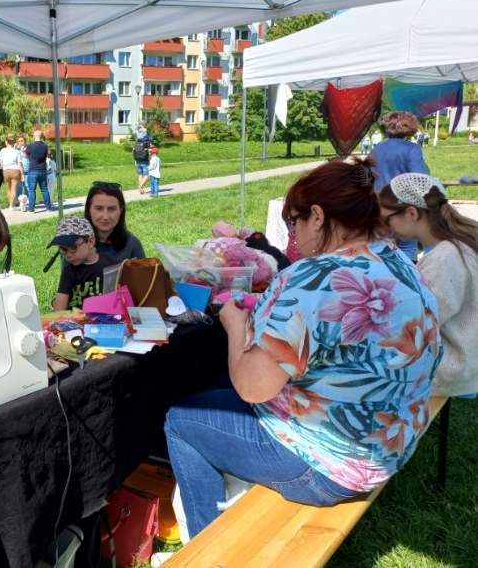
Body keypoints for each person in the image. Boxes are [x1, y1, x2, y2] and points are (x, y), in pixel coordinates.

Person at [165, 158, 441, 538]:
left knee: (181, 420)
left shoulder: (313, 277)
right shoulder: (400, 263)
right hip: (389, 444)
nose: (292, 233)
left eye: (293, 222)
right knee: (214, 392)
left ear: (317, 216)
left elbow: (252, 387)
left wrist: (235, 326)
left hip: (330, 466)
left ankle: (205, 550)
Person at [380, 173, 478, 397]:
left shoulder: (445, 259)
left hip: (455, 370)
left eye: (387, 219)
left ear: (411, 213)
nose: (387, 228)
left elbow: (415, 325)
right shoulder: (464, 239)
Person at [370, 111, 430, 260]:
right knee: (407, 248)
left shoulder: (376, 150)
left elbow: (366, 177)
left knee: (379, 247)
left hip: (378, 207)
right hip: (402, 206)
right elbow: (421, 178)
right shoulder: (412, 149)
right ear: (410, 127)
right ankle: (403, 273)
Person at [50, 216, 111, 311]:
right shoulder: (69, 272)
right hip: (74, 319)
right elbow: (59, 310)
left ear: (90, 241)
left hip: (103, 318)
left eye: (73, 247)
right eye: (63, 249)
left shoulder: (109, 266)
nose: (68, 255)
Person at [84, 182, 145, 263]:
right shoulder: (76, 245)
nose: (105, 216)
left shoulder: (132, 245)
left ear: (121, 210)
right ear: (89, 209)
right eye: (99, 208)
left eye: (111, 209)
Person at [24, 129, 52, 212]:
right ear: (42, 136)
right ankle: (48, 208)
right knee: (44, 189)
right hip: (43, 170)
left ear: (34, 136)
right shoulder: (45, 146)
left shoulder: (30, 146)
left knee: (32, 190)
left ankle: (31, 209)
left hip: (32, 170)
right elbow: (47, 155)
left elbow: (26, 156)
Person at [0, 134, 23, 210]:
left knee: (8, 189)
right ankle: (12, 206)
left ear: (6, 142)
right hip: (15, 170)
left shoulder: (2, 151)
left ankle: (10, 205)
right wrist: (22, 174)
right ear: (14, 142)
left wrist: (3, 170)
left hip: (6, 170)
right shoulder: (17, 152)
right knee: (14, 188)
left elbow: (1, 163)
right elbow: (19, 164)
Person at [15, 135, 30, 209]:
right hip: (18, 170)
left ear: (25, 141)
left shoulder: (28, 148)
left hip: (27, 170)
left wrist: (23, 151)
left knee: (27, 186)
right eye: (19, 141)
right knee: (19, 187)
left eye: (22, 141)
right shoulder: (16, 149)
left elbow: (28, 157)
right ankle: (19, 202)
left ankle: (29, 201)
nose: (20, 142)